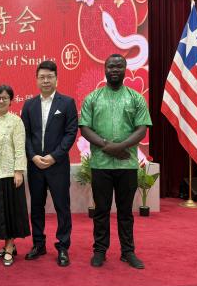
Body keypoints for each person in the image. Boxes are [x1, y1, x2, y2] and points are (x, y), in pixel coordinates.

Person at [79, 53, 152, 269]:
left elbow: (142, 129)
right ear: (105, 69)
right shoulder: (92, 98)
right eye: (111, 66)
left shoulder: (136, 98)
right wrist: (108, 147)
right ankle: (100, 250)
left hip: (126, 164)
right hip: (100, 165)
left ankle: (128, 252)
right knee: (101, 210)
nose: (115, 70)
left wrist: (119, 147)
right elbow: (85, 128)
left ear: (125, 69)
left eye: (119, 66)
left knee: (125, 212)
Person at [21, 60, 78, 266]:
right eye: (42, 77)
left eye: (50, 77)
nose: (46, 81)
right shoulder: (29, 105)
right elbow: (25, 135)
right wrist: (33, 156)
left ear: (56, 79)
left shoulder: (67, 103)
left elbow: (71, 133)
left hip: (58, 165)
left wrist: (54, 156)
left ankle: (63, 246)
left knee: (62, 206)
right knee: (37, 206)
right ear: (37, 80)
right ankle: (38, 244)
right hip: (35, 165)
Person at [0, 84, 30, 266]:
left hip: (10, 173)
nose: (1, 101)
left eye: (5, 98)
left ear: (11, 101)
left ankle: (10, 247)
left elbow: (20, 148)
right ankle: (6, 244)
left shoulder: (16, 121)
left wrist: (19, 171)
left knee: (10, 210)